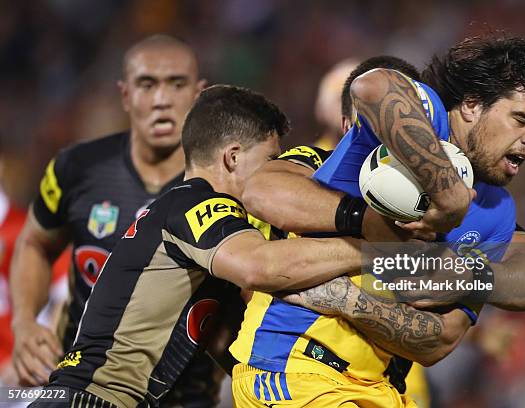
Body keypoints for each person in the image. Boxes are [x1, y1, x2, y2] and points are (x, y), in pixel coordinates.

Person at [231, 35, 525, 407]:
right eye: (521, 120)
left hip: (385, 391)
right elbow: (374, 85)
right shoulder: (418, 123)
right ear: (472, 104)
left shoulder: (495, 210)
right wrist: (446, 194)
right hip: (294, 371)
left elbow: (441, 340)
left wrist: (348, 300)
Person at [27, 84, 375, 408]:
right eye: (271, 161)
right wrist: (374, 248)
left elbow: (233, 346)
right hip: (93, 398)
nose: (276, 174)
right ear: (232, 158)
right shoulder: (194, 204)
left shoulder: (202, 242)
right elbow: (262, 265)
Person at [8, 34, 226, 406]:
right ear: (125, 95)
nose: (161, 100)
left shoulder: (225, 185)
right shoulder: (76, 168)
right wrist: (25, 322)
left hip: (188, 396)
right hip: (83, 391)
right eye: (147, 84)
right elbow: (35, 243)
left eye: (176, 84)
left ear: (198, 93)